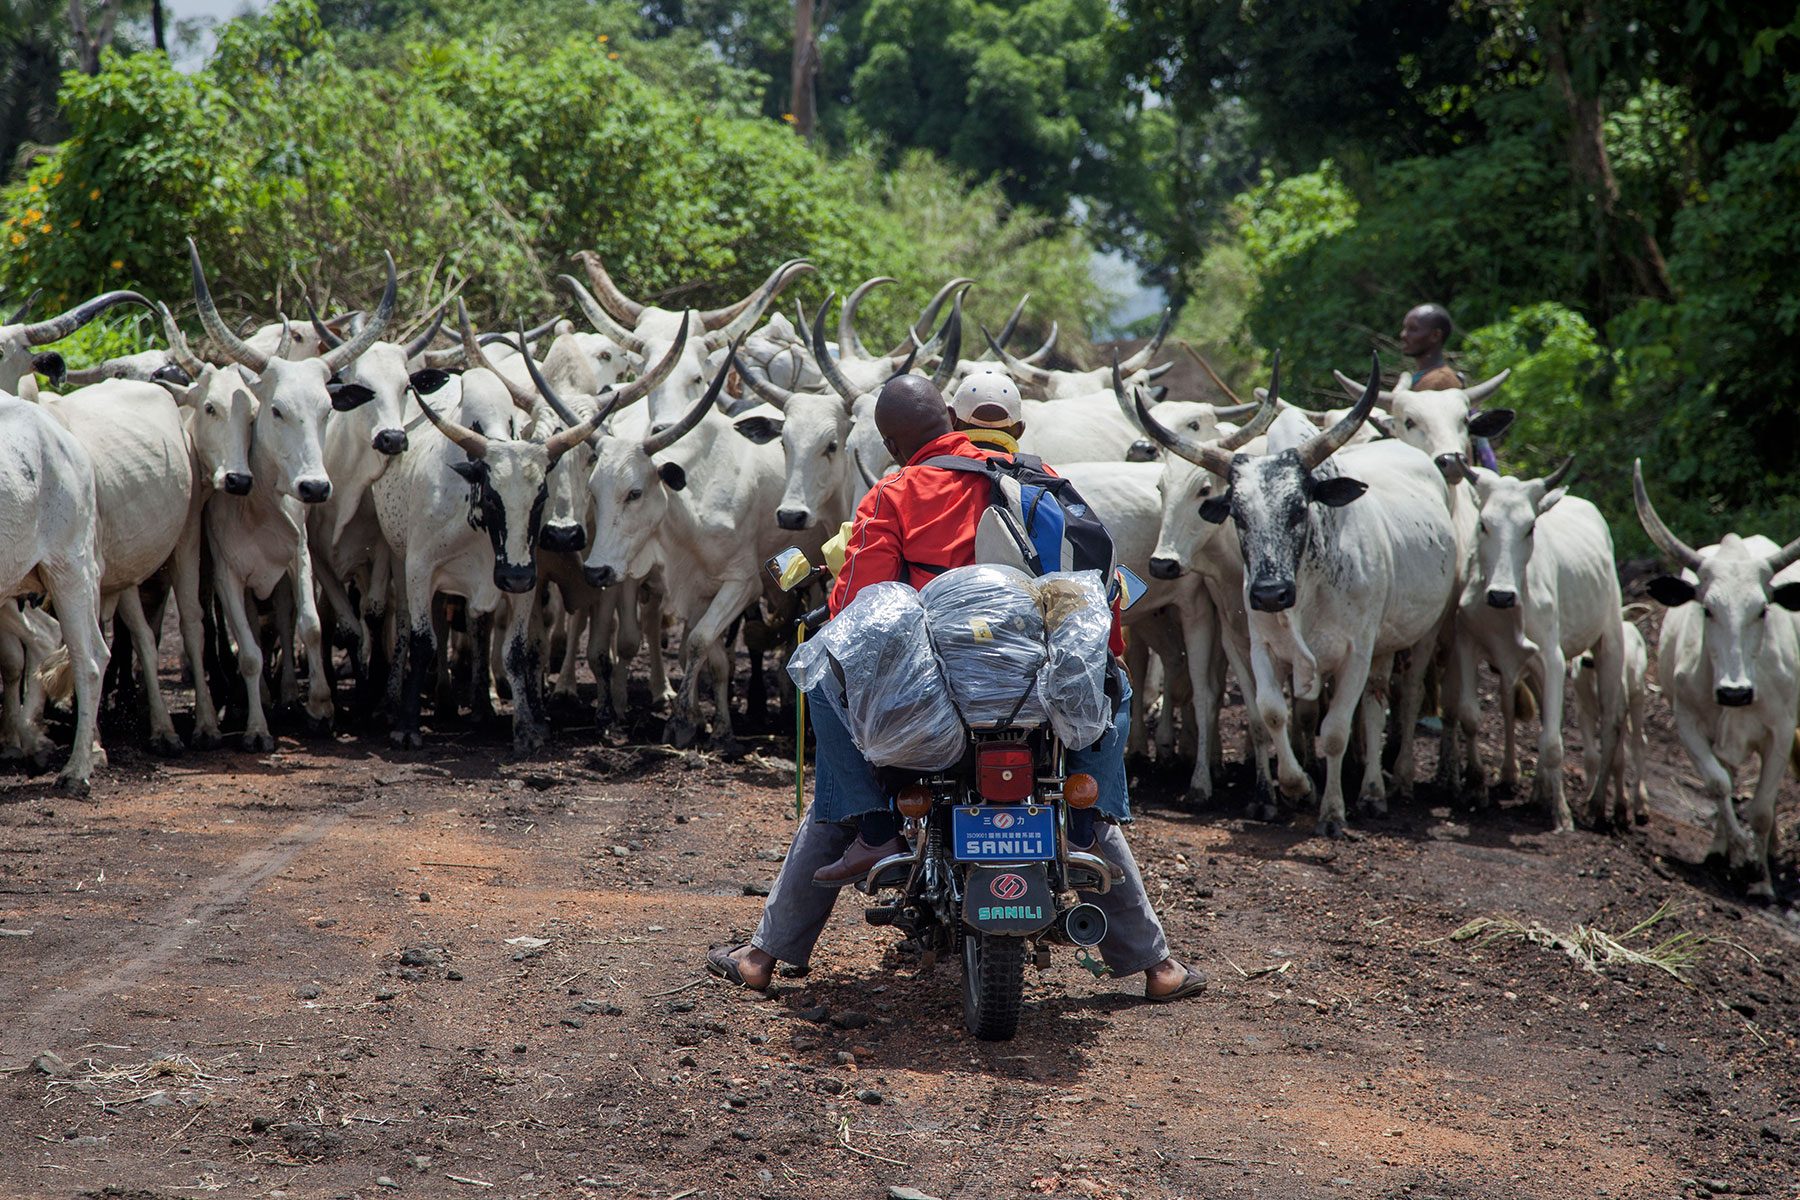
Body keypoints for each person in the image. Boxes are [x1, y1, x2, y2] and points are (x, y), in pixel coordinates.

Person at [705, 370, 1205, 1002]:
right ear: (950, 416)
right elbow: (1088, 592)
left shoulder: (893, 494)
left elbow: (860, 604)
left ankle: (821, 890)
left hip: (933, 695)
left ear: (891, 443)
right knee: (1079, 794)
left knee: (830, 741)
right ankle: (1155, 964)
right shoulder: (1042, 484)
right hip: (1033, 695)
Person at [1399, 302, 1497, 469]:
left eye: (1413, 329)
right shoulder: (1422, 378)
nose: (1403, 335)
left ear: (1435, 336)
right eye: (1405, 328)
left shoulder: (1441, 381)